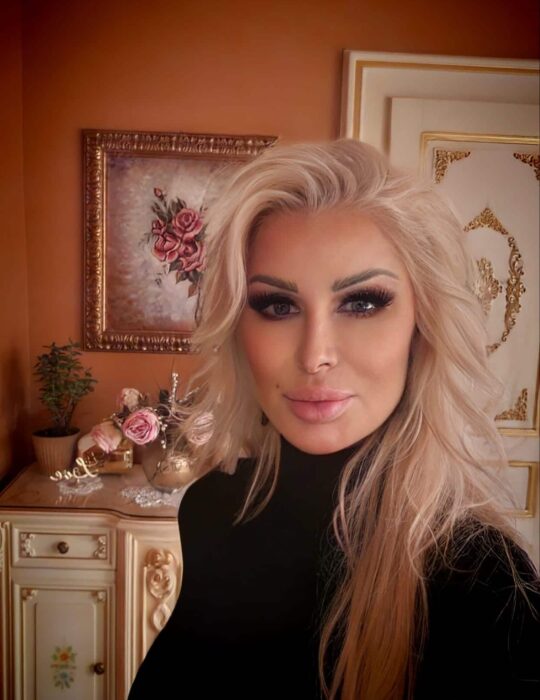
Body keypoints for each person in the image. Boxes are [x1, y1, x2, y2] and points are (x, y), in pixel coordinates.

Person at [127, 139, 540, 700]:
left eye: (362, 302)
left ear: (423, 325)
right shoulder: (215, 507)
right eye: (277, 306)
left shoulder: (480, 579)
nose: (314, 355)